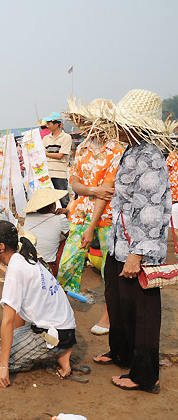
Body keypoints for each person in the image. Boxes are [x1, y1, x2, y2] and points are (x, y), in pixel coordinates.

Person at [92, 89, 175, 394]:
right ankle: (121, 353)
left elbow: (152, 211)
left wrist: (137, 255)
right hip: (119, 244)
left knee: (142, 312)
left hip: (138, 250)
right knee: (117, 302)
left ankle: (144, 375)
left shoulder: (150, 157)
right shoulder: (131, 151)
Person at [59, 98, 125, 336]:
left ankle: (109, 313)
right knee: (68, 261)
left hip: (105, 215)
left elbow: (107, 192)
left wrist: (92, 226)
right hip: (81, 212)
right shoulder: (82, 147)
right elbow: (75, 184)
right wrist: (92, 190)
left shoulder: (117, 150)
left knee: (110, 266)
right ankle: (61, 307)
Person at [0, 220, 76, 388]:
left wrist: (3, 368)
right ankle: (61, 352)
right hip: (63, 327)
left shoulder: (17, 268)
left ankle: (56, 352)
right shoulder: (22, 259)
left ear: (1, 247)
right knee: (0, 345)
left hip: (56, 333)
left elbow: (8, 321)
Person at [22, 188, 69, 276]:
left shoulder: (28, 217)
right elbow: (71, 235)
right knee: (67, 241)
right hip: (49, 265)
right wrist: (67, 213)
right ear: (54, 206)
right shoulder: (60, 218)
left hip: (28, 262)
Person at [42, 112, 73, 207]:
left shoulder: (66, 137)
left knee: (63, 200)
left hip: (59, 173)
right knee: (49, 201)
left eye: (49, 123)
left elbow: (60, 155)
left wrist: (46, 154)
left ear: (57, 124)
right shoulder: (46, 138)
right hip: (48, 173)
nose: (47, 125)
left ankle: (66, 219)